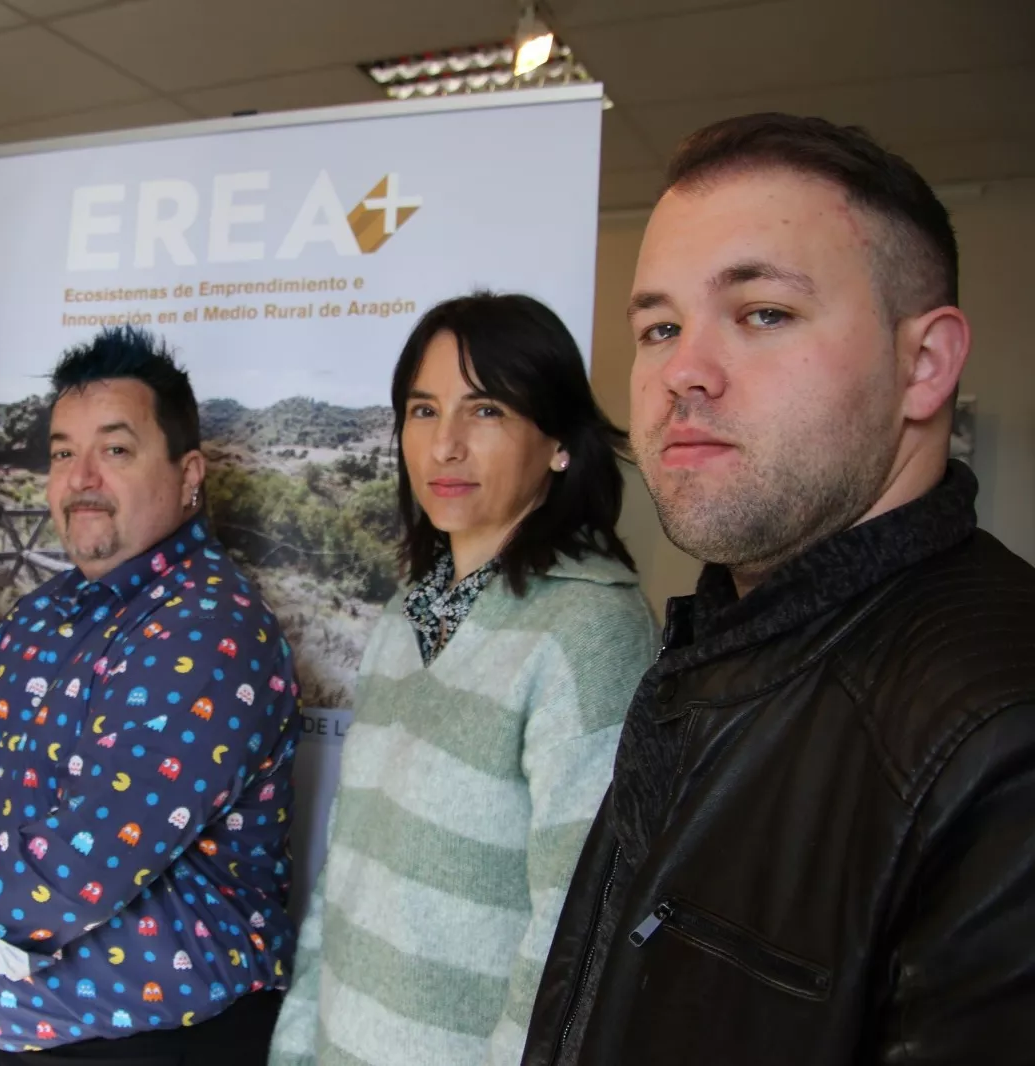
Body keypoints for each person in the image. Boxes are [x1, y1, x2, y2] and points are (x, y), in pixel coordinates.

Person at [521, 114, 1035, 1065]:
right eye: (660, 327)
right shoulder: (726, 641)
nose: (682, 373)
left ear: (924, 365)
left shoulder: (999, 736)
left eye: (763, 314)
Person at [0, 327, 303, 1064]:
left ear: (189, 474)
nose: (80, 477)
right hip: (16, 1040)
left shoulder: (210, 629)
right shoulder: (41, 614)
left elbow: (81, 862)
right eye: (64, 452)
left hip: (165, 1045)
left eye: (116, 450)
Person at [268, 294, 657, 1066]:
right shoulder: (398, 620)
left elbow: (574, 943)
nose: (444, 445)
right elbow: (346, 881)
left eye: (484, 411)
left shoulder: (591, 633)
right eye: (422, 410)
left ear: (556, 443)